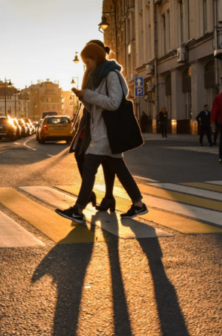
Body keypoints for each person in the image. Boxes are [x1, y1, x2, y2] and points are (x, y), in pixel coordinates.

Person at [56, 41, 148, 223]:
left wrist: (89, 95)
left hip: (107, 133)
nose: (86, 67)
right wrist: (84, 99)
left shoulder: (111, 75)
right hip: (102, 130)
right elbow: (96, 107)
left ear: (96, 58)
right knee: (120, 169)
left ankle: (78, 209)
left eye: (87, 62)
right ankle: (138, 204)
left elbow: (114, 103)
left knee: (89, 165)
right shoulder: (100, 76)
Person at [68, 39, 117, 212]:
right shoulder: (96, 68)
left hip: (97, 119)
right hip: (90, 117)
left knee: (99, 159)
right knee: (96, 158)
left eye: (88, 60)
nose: (86, 64)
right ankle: (102, 196)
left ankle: (100, 197)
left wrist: (85, 95)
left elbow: (109, 98)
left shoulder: (101, 70)